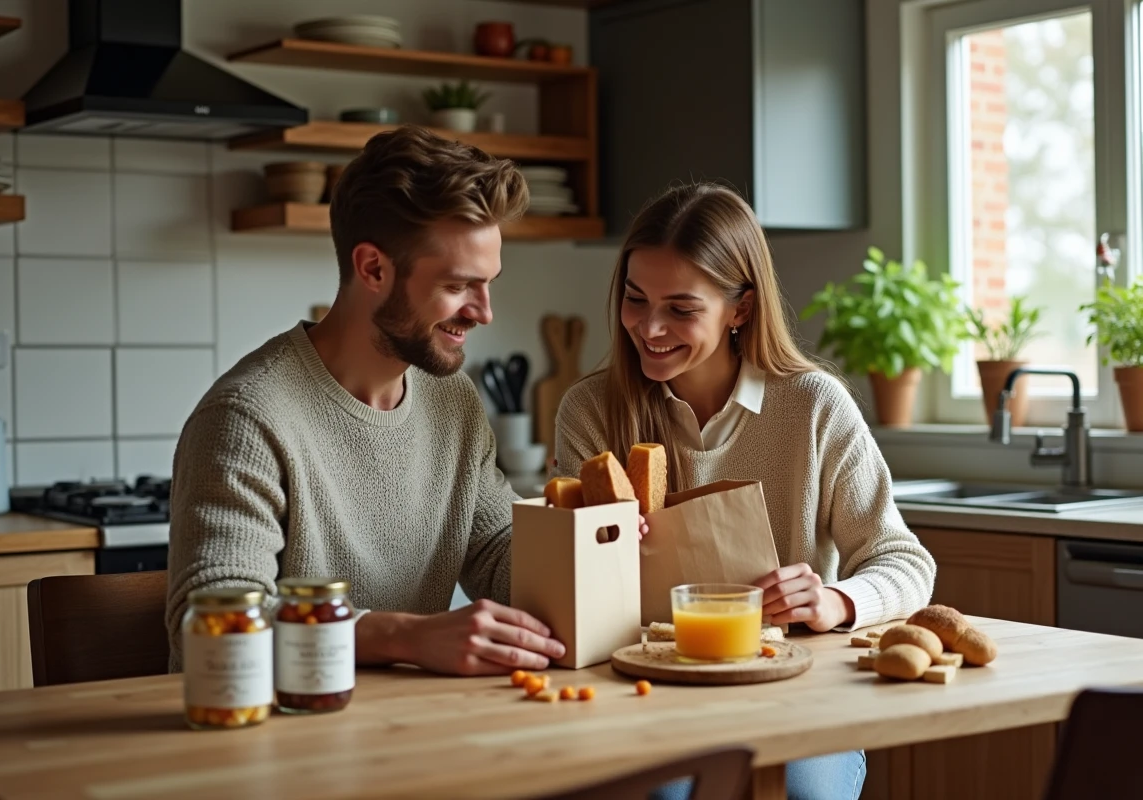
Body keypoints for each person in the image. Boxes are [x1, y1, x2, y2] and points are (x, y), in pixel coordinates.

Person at [553, 183, 937, 800]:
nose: (649, 327)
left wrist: (834, 601)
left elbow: (905, 561)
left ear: (741, 308)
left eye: (681, 309)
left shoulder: (813, 407)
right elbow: (567, 596)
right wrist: (595, 550)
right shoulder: (591, 410)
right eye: (635, 298)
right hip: (645, 693)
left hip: (796, 691)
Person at [164, 125, 566, 675]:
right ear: (373, 268)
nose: (484, 312)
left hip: (405, 719)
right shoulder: (248, 417)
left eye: (488, 282)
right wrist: (406, 637)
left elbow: (496, 549)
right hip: (271, 723)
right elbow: (215, 622)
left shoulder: (451, 400)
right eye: (457, 286)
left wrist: (592, 548)